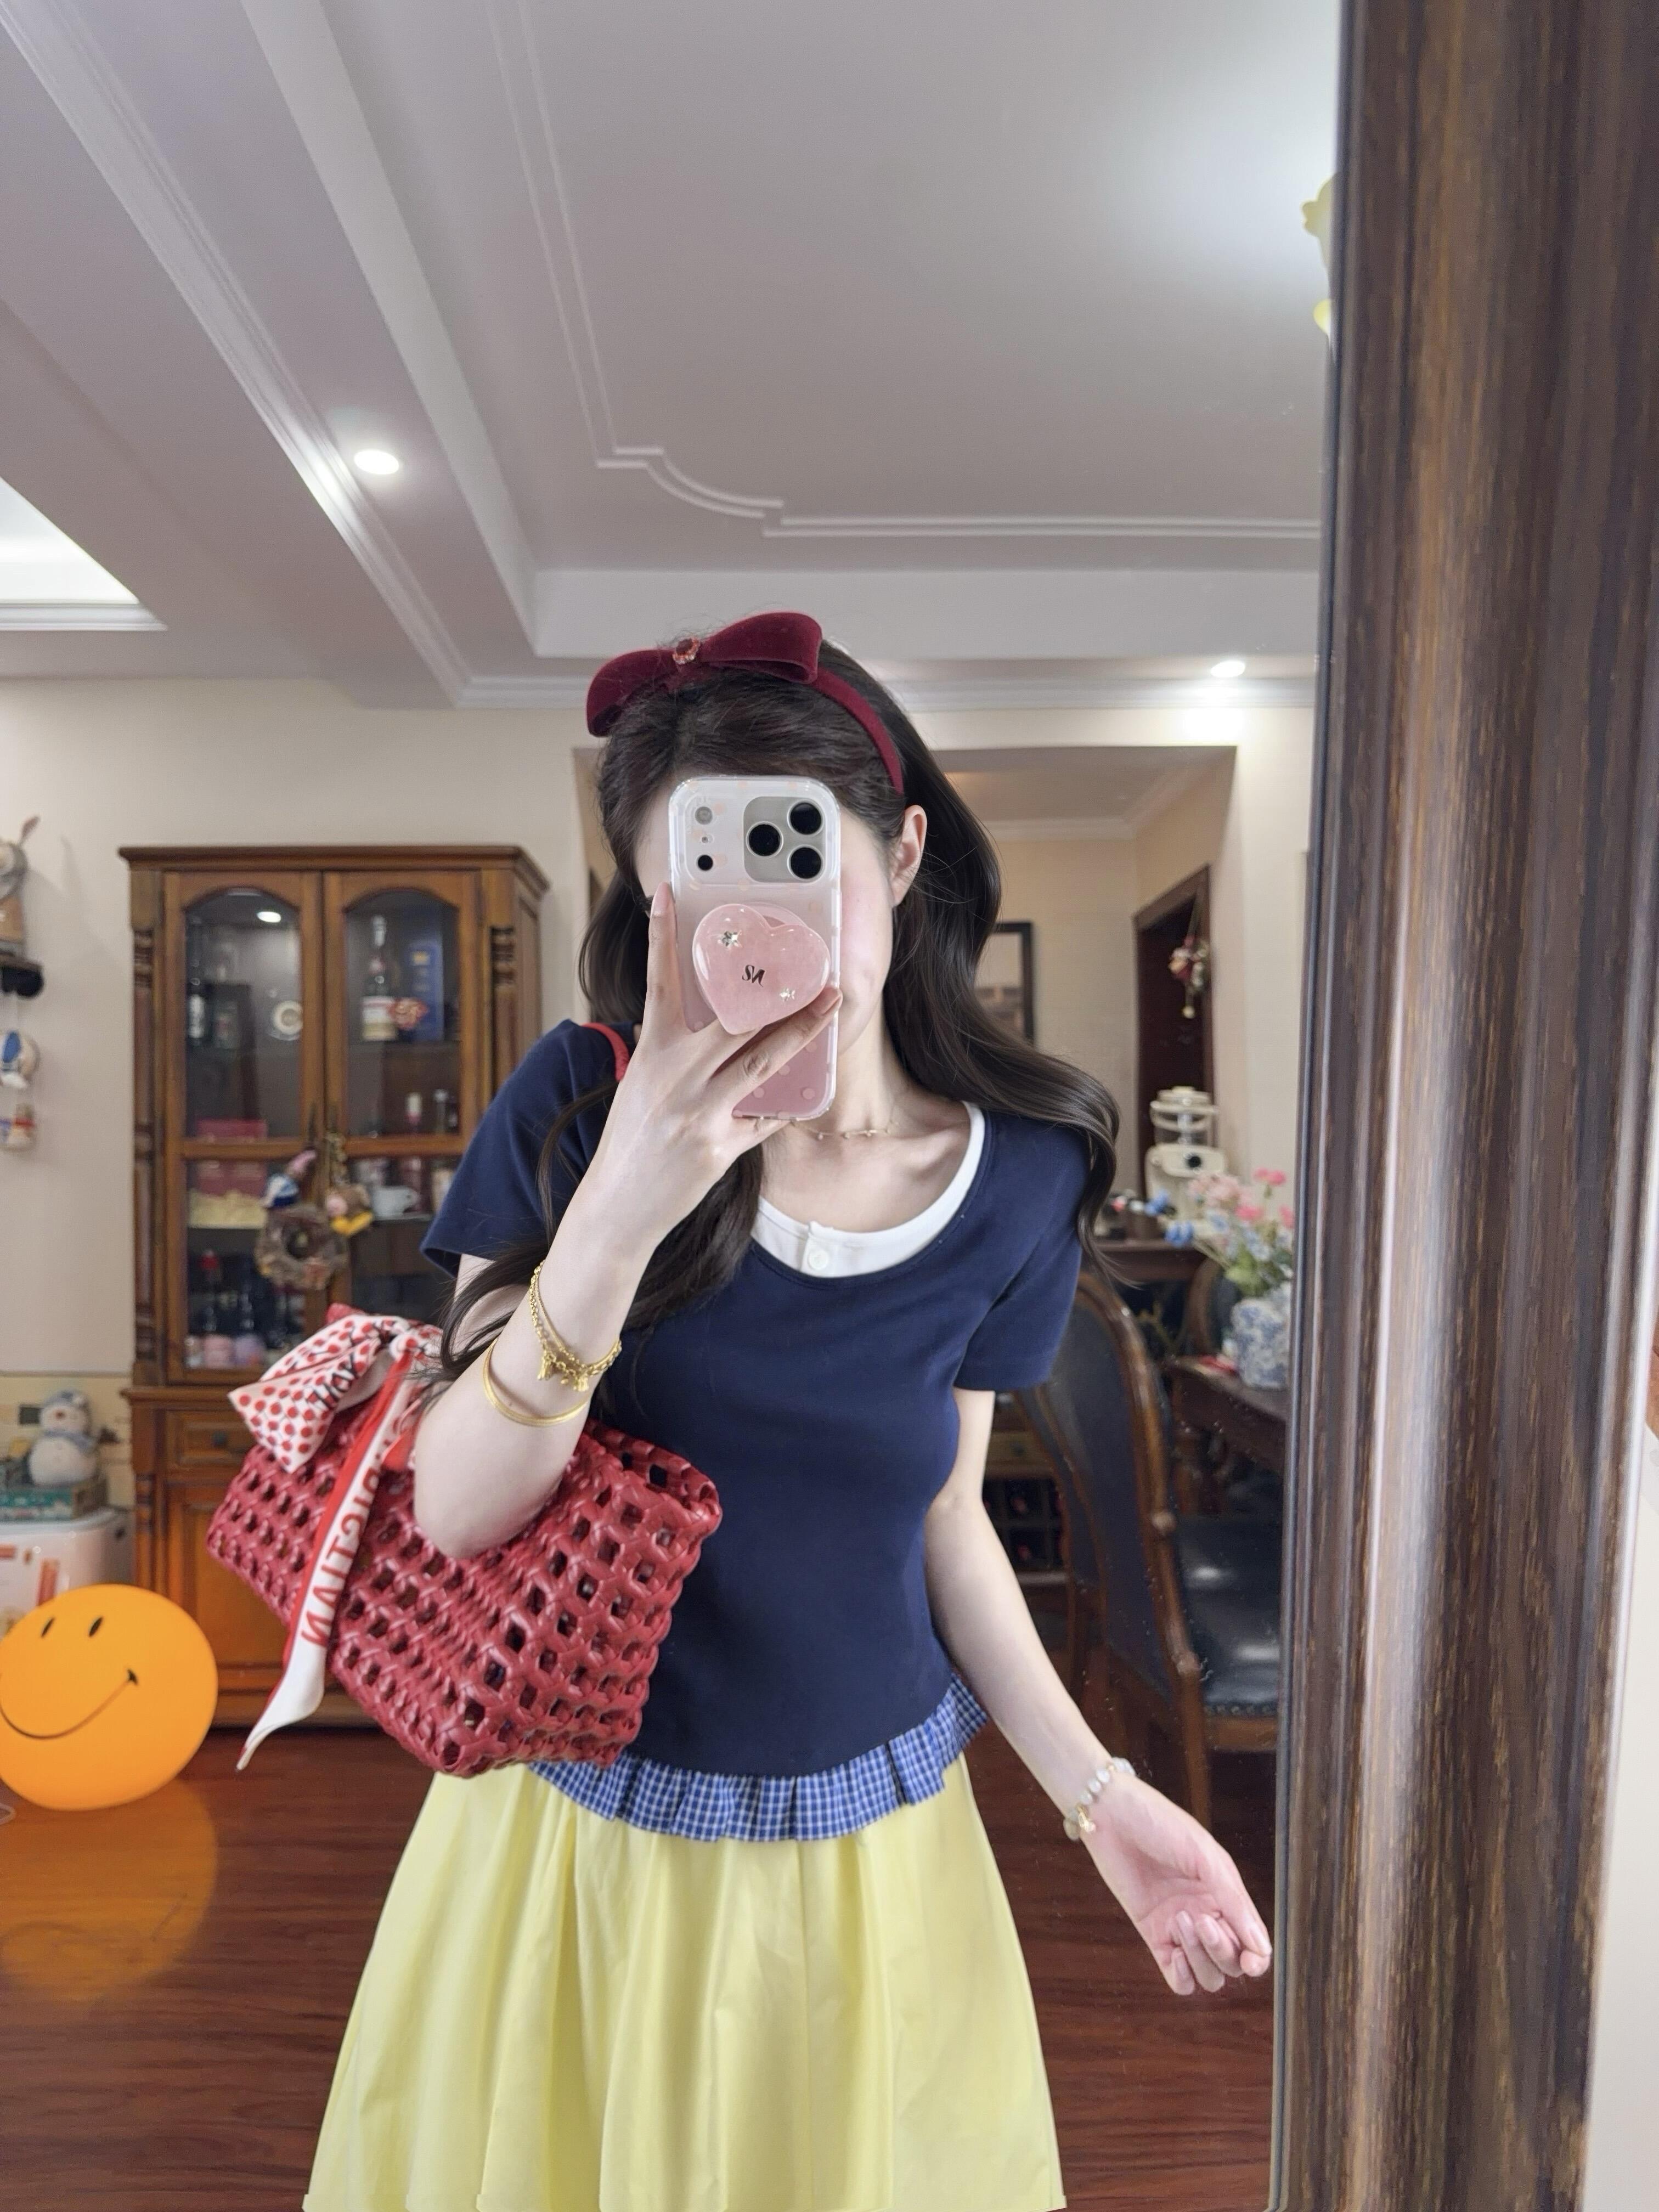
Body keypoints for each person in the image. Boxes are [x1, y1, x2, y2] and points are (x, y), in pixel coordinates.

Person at [302, 616, 1271, 2212]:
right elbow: (457, 1505)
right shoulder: (574, 1108)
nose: (752, 917)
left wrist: (1101, 1803)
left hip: (871, 1864)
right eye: (696, 875)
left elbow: (946, 1522)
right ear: (651, 903)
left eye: (795, 853)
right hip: (577, 1849)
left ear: (902, 855)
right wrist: (624, 1204)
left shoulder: (1024, 1173)